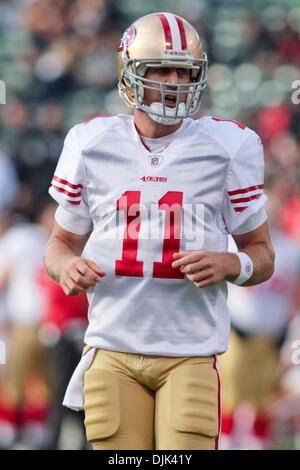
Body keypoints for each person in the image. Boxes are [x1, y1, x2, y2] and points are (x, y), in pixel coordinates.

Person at [43, 12, 275, 450]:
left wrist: (232, 262)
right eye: (159, 69)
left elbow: (262, 255)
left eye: (184, 71)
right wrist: (67, 266)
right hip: (112, 349)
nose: (173, 81)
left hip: (190, 350)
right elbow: (58, 244)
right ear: (130, 74)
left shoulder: (229, 147)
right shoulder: (91, 143)